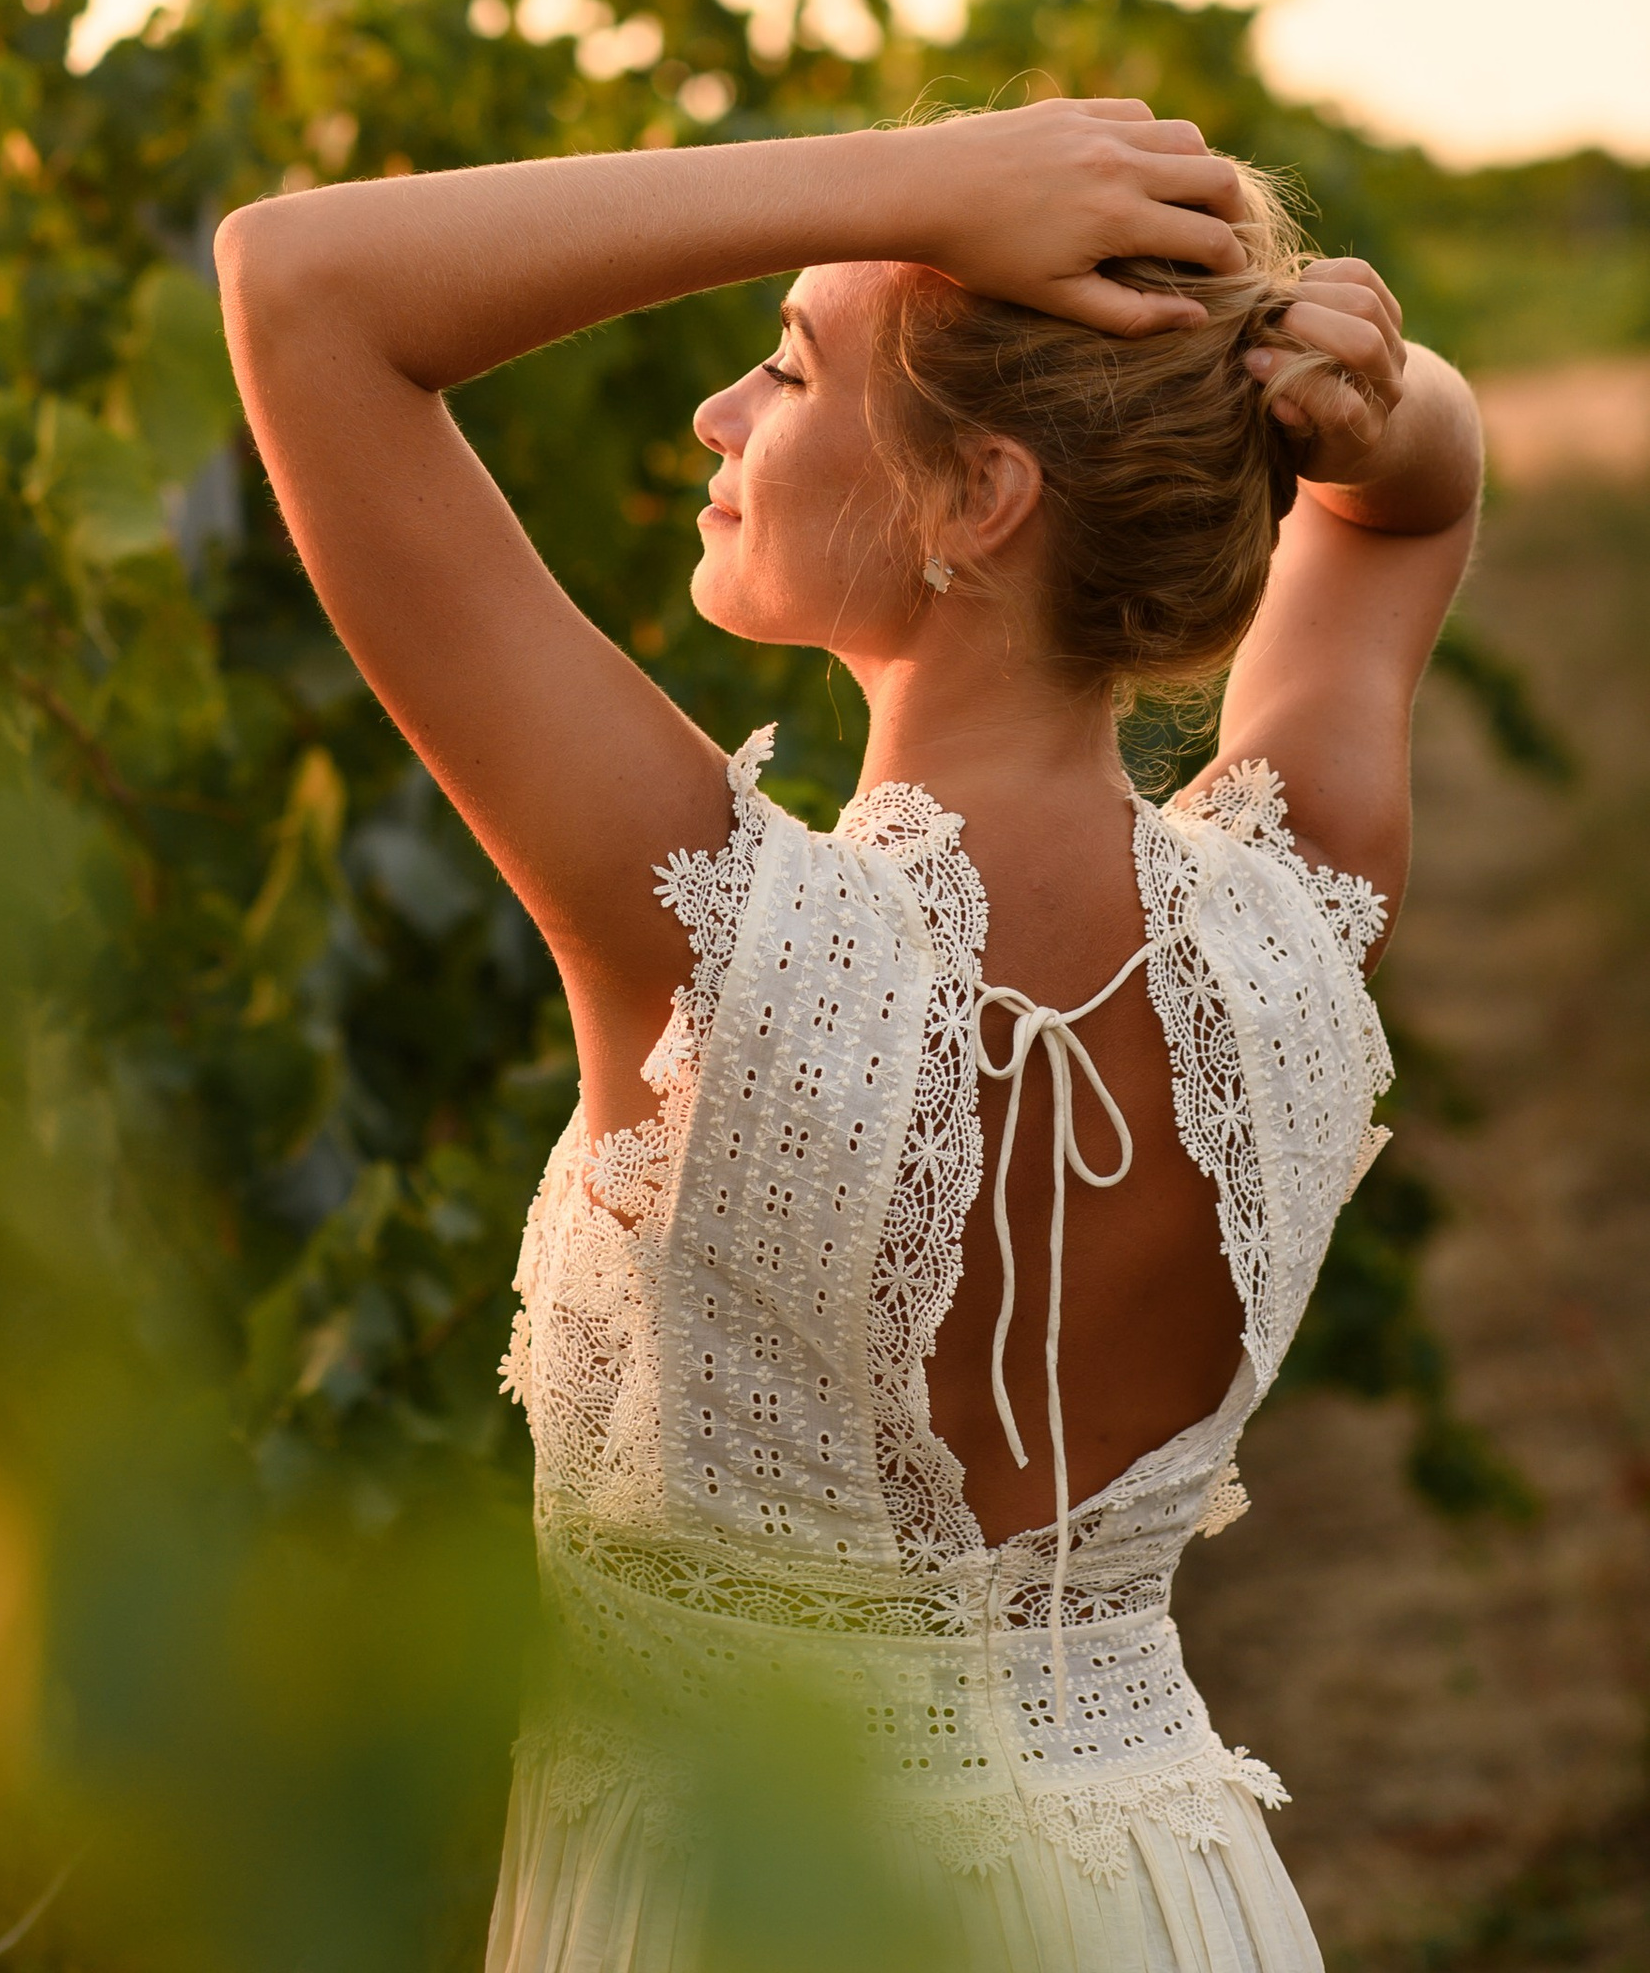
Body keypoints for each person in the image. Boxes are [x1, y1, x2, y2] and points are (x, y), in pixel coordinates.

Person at [218, 98, 1483, 1973]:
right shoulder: (1303, 910)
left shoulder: (712, 942)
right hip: (1165, 1902)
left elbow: (299, 282)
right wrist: (1382, 405)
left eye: (788, 366)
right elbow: (1420, 491)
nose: (721, 415)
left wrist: (906, 183)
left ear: (977, 499)